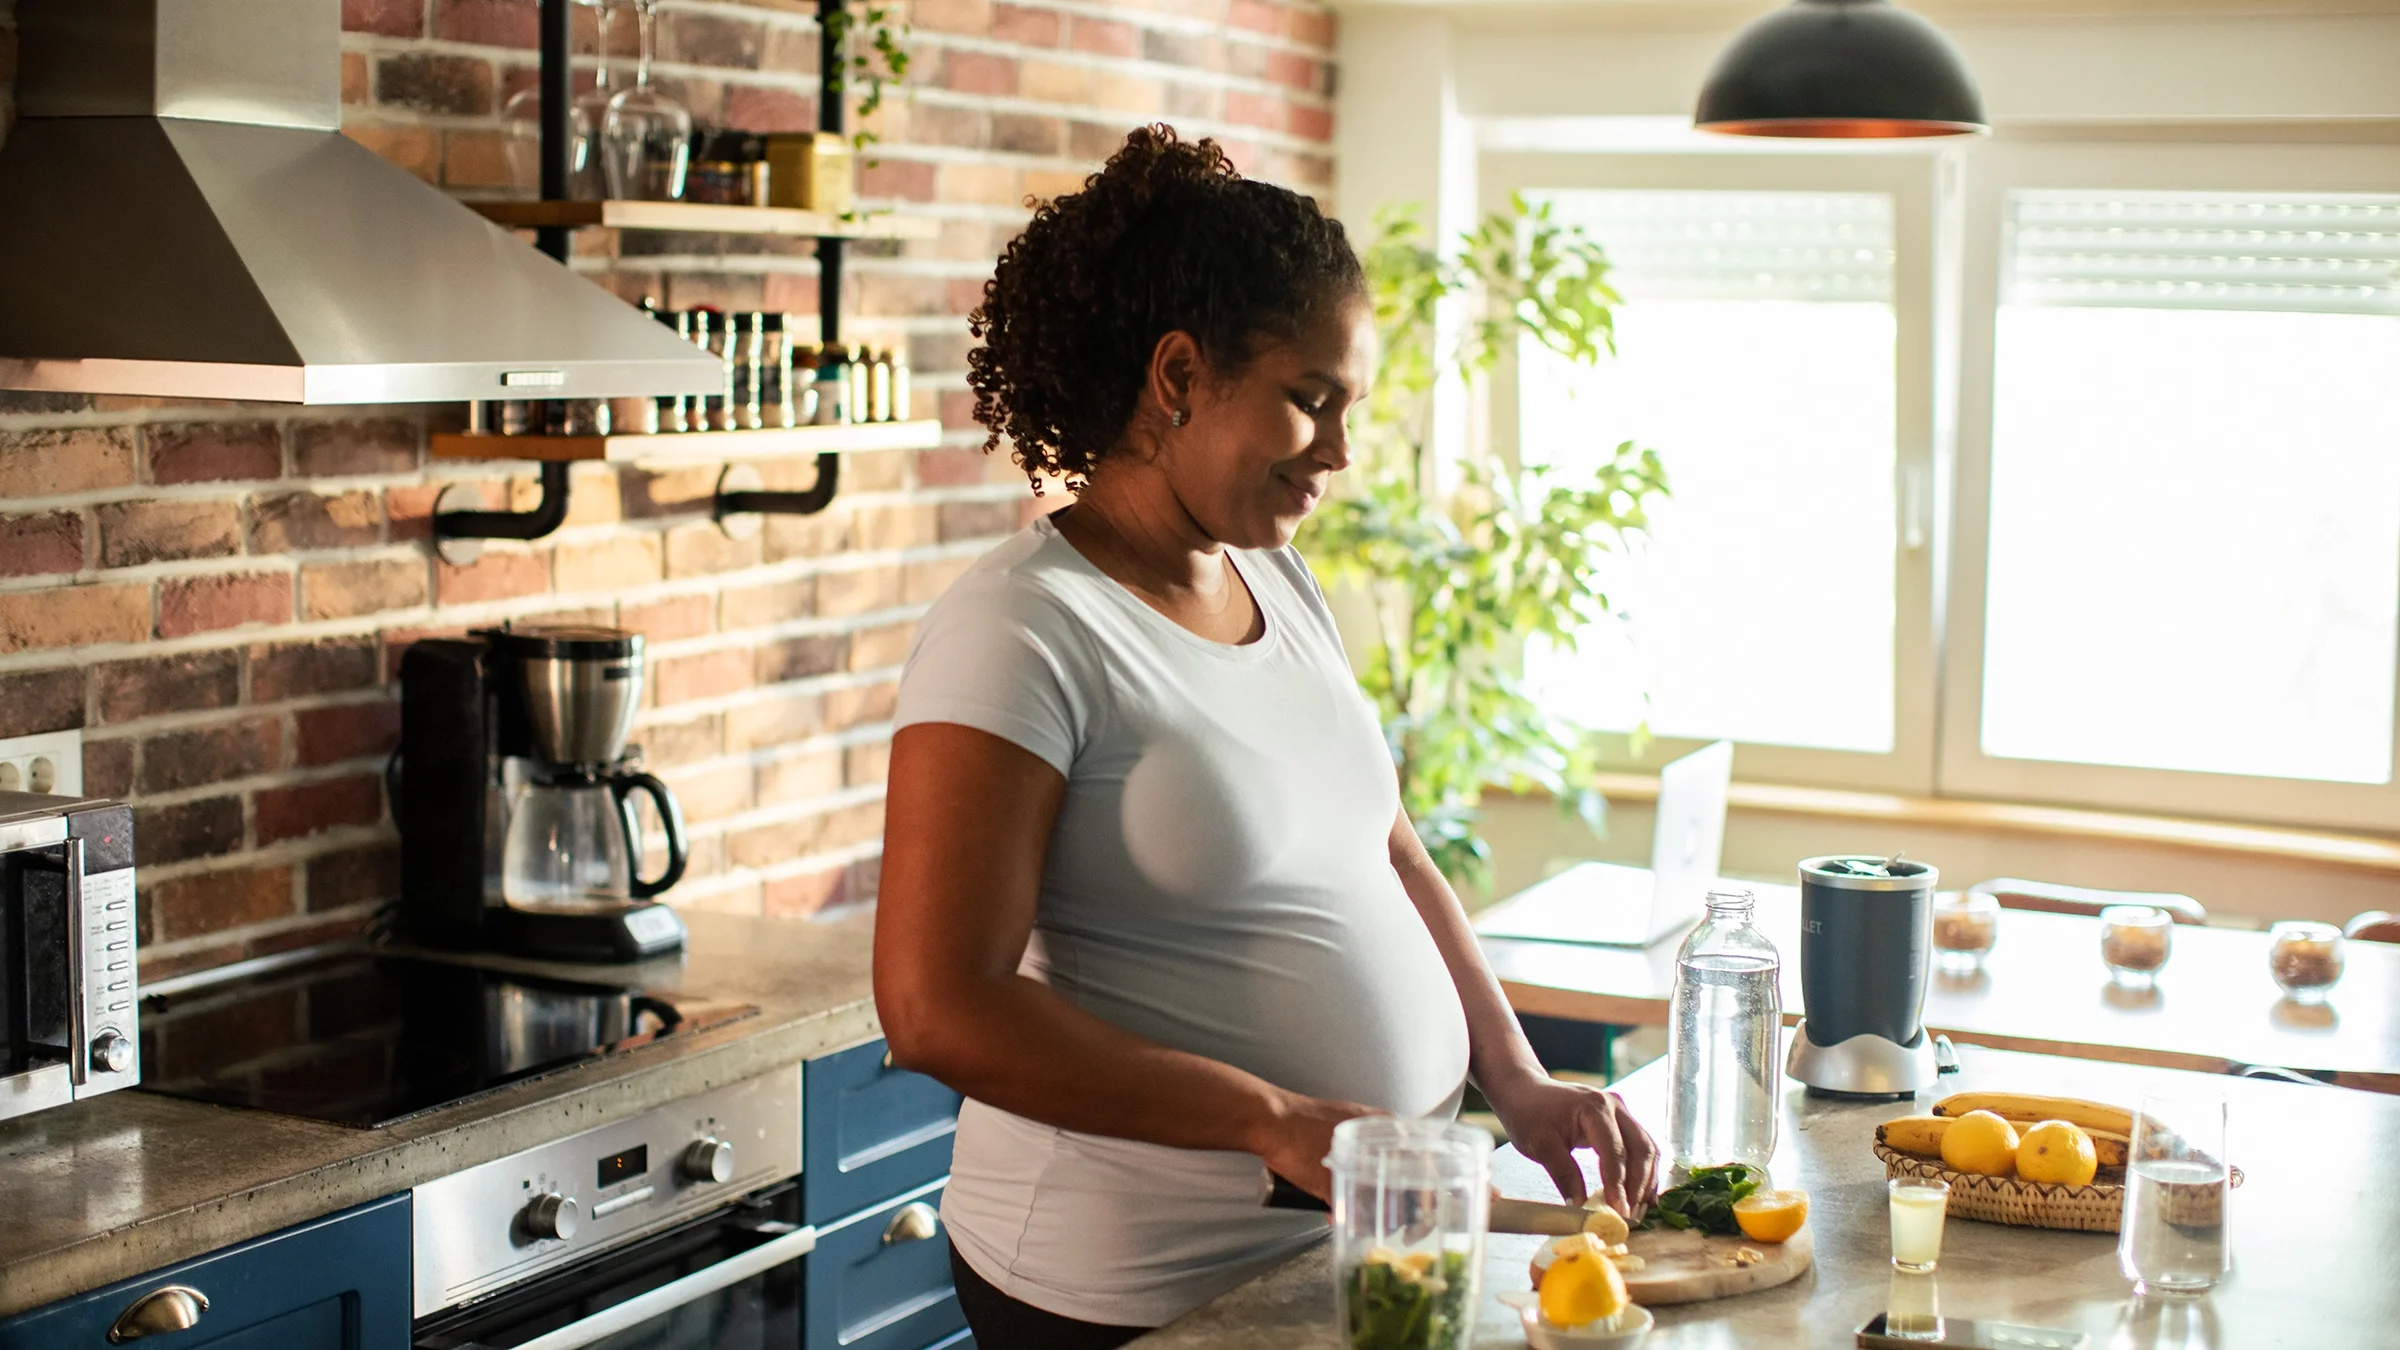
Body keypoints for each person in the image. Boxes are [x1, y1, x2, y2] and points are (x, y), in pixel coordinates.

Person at [874, 125, 1660, 1350]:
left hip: (1339, 1248)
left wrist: (1515, 1080)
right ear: (1179, 376)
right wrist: (1271, 1118)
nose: (1341, 455)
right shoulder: (1018, 632)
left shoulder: (1276, 585)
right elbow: (936, 1008)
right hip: (1127, 1288)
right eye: (1312, 402)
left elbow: (1387, 852)